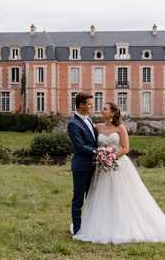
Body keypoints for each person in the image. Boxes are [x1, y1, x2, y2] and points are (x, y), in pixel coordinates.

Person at [72, 102, 165, 244]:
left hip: (118, 165)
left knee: (122, 196)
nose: (101, 110)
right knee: (102, 195)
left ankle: (124, 225)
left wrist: (111, 157)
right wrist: (102, 157)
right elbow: (90, 142)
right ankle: (101, 224)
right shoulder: (97, 127)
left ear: (112, 113)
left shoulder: (120, 128)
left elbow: (125, 148)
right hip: (101, 168)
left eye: (105, 109)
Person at [66, 92, 98, 235]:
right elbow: (79, 147)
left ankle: (91, 225)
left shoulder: (89, 120)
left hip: (94, 166)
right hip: (81, 167)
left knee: (92, 197)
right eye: (90, 104)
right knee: (79, 198)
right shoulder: (73, 124)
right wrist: (98, 152)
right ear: (81, 105)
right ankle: (78, 229)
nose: (92, 106)